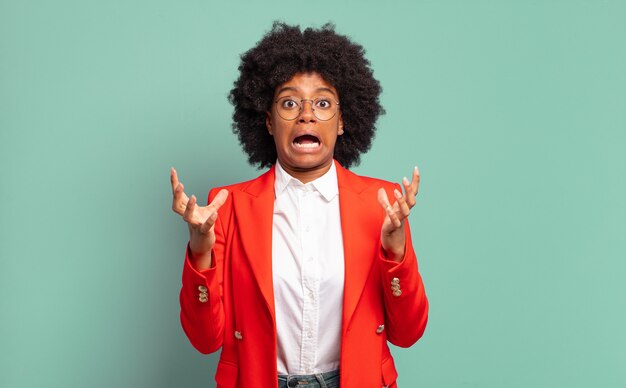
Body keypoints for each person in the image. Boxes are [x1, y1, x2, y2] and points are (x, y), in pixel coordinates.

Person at [170, 22, 428, 388]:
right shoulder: (225, 207)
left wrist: (396, 250)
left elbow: (407, 333)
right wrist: (200, 252)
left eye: (323, 103)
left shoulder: (382, 204)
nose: (306, 114)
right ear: (268, 121)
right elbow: (205, 340)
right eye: (289, 103)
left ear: (342, 121)